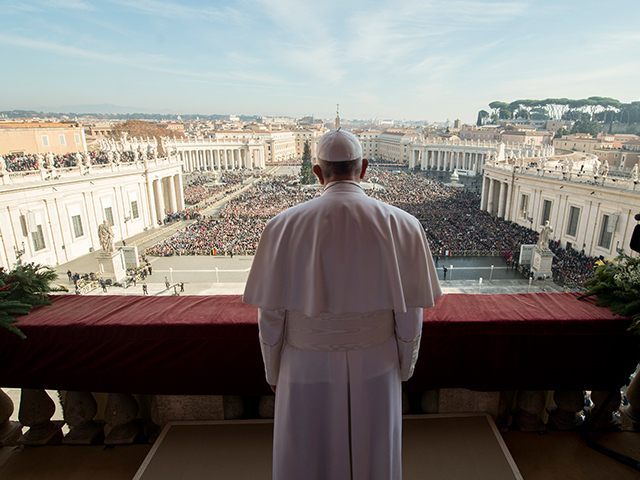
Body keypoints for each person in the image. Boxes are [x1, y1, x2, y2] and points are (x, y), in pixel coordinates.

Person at [244, 128, 441, 480]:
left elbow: (270, 320)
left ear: (318, 172)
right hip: (377, 364)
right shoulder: (405, 225)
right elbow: (411, 317)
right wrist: (404, 367)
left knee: (306, 457)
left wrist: (274, 371)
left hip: (304, 365)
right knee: (374, 458)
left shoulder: (280, 227)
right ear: (364, 168)